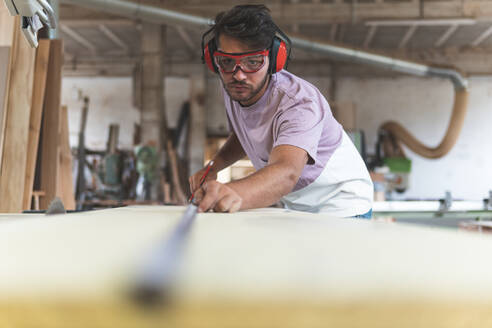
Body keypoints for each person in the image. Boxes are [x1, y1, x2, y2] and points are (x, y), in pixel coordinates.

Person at [189, 4, 373, 217]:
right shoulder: (235, 86)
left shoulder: (298, 103)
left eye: (253, 62)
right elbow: (244, 134)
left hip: (341, 202)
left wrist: (232, 191)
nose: (239, 74)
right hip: (298, 203)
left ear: (274, 59)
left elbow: (286, 173)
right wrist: (213, 166)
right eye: (227, 61)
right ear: (214, 61)